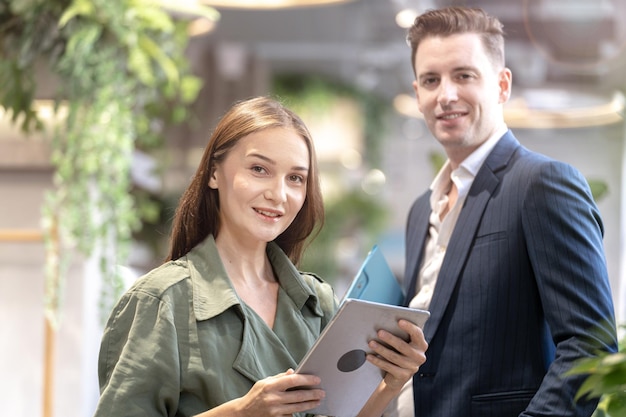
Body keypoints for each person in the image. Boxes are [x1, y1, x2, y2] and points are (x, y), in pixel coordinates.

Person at [93, 96, 428, 417]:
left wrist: (390, 383)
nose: (278, 194)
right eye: (259, 169)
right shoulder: (162, 302)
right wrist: (240, 413)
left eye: (295, 178)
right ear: (213, 173)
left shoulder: (318, 303)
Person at [392, 6, 618, 417]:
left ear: (501, 84)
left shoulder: (542, 184)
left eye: (464, 75)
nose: (446, 95)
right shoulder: (419, 209)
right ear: (417, 93)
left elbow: (590, 346)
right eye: (431, 80)